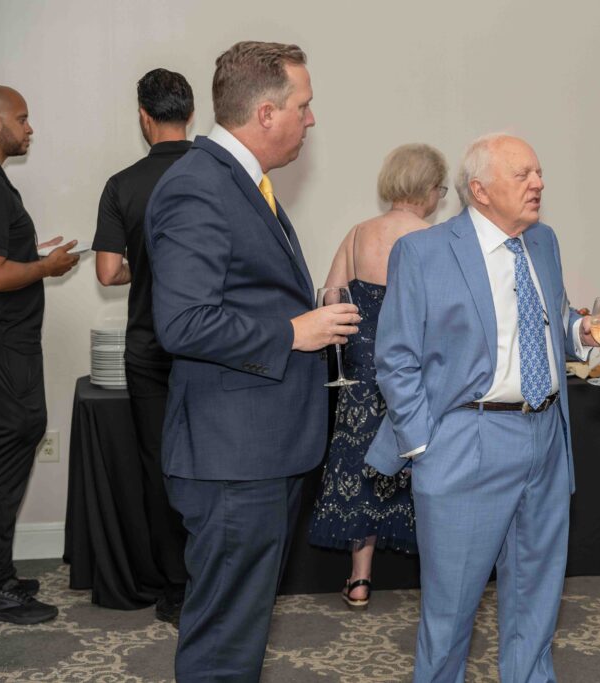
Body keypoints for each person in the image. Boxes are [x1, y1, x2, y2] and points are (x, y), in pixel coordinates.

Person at [366, 134, 600, 683]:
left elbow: (551, 321)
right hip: (467, 441)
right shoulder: (424, 252)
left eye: (539, 172)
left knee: (536, 602)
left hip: (545, 438)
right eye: (523, 174)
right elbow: (395, 357)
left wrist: (583, 334)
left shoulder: (544, 241)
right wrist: (424, 446)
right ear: (480, 190)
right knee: (450, 615)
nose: (539, 183)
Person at [144, 41, 359, 681]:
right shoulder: (198, 186)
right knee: (224, 641)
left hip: (257, 451)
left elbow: (241, 295)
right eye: (303, 106)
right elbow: (183, 322)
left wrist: (306, 314)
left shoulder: (240, 182)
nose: (311, 119)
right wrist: (294, 331)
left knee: (239, 631)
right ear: (266, 113)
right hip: (232, 459)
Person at [308, 143, 448, 609]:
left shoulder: (358, 234)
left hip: (365, 374)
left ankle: (359, 579)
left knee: (361, 467)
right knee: (426, 470)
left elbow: (330, 299)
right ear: (430, 189)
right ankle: (439, 580)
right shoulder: (437, 239)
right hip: (418, 373)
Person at [92, 67, 194, 626]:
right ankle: (217, 582)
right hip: (208, 347)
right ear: (191, 115)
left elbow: (109, 272)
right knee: (214, 462)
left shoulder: (122, 184)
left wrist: (147, 266)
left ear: (143, 117)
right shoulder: (220, 174)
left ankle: (175, 588)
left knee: (160, 467)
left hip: (150, 348)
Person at [0, 85, 79, 625]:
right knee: (7, 460)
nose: (29, 129)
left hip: (8, 346)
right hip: (6, 349)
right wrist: (44, 268)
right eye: (21, 119)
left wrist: (34, 255)